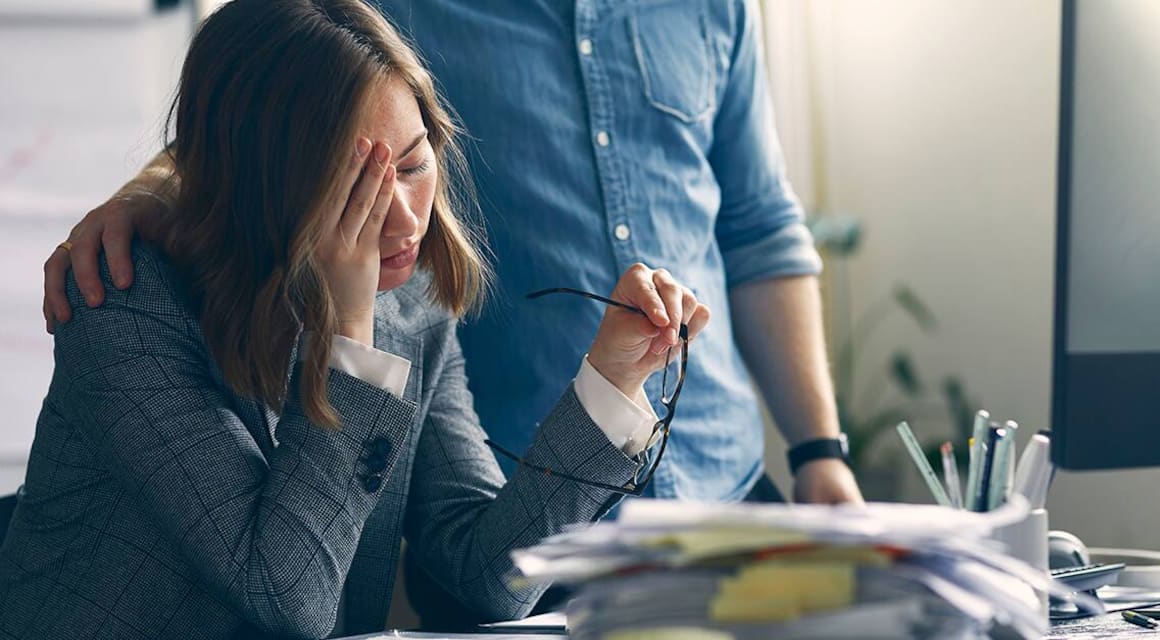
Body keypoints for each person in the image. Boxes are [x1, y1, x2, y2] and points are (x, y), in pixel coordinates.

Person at [2, 1, 709, 638]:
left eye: (413, 166)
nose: (403, 220)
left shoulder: (413, 307)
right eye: (357, 188)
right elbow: (288, 597)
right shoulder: (126, 307)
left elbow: (488, 574)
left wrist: (612, 381)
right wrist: (350, 338)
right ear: (263, 186)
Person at [43, 1, 861, 506]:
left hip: (723, 480)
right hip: (511, 490)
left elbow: (758, 228)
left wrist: (818, 452)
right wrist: (151, 195)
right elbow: (260, 111)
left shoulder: (715, 9)